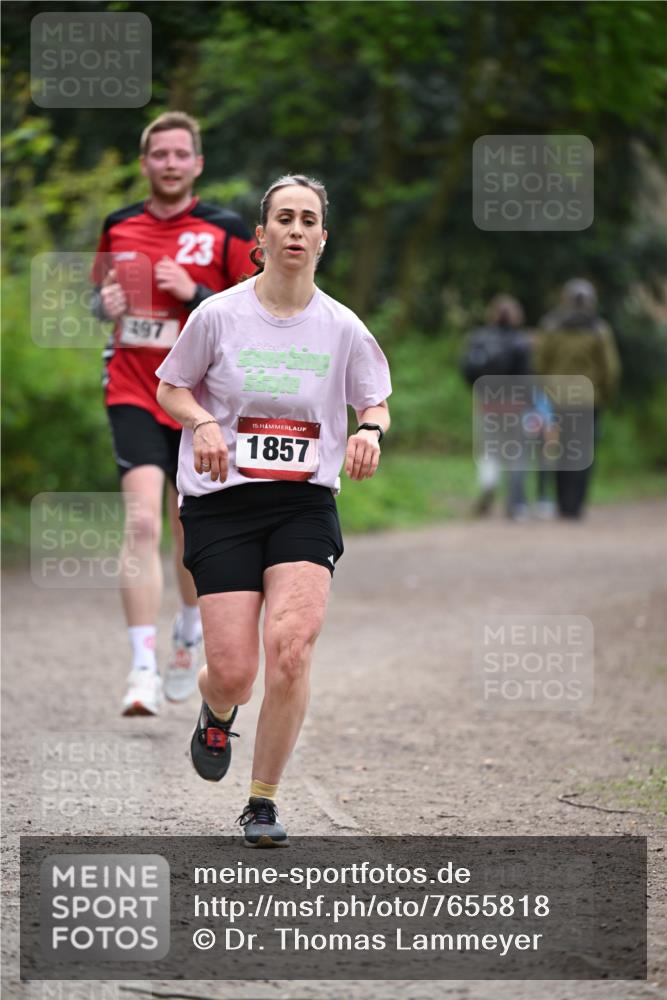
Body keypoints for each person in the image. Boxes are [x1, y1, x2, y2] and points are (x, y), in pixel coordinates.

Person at [155, 174, 391, 846]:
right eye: (282, 218)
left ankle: (261, 800)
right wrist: (201, 422)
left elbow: (372, 399)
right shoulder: (218, 316)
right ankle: (216, 704)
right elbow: (171, 388)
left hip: (303, 504)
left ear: (321, 238)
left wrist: (369, 431)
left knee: (290, 650)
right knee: (235, 670)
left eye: (306, 219)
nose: (294, 229)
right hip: (221, 504)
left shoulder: (341, 326)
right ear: (259, 238)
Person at [91, 111, 256, 716]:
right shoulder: (119, 224)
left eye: (180, 154)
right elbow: (97, 297)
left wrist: (195, 294)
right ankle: (140, 669)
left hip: (199, 404)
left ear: (197, 164)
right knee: (141, 526)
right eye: (158, 154)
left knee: (188, 529)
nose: (169, 163)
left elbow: (258, 311)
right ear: (145, 163)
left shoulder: (225, 229)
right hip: (134, 389)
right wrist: (100, 300)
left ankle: (190, 630)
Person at [534, 279, 621, 519]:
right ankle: (576, 504)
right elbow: (610, 369)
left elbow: (540, 363)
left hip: (558, 398)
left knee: (561, 449)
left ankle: (563, 504)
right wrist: (605, 394)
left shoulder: (551, 327)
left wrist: (544, 389)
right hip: (587, 399)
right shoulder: (599, 330)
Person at [461, 294, 532, 520]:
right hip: (514, 404)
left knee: (489, 449)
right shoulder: (521, 342)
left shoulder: (478, 338)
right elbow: (527, 377)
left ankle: (489, 482)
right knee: (516, 452)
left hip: (488, 402)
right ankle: (516, 505)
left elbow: (466, 369)